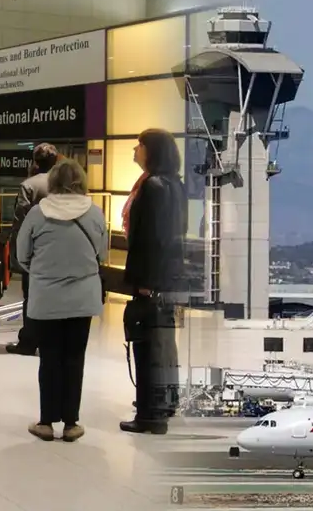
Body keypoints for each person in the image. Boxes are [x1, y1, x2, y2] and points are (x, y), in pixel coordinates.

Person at [17, 159, 106, 442]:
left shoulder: (37, 213)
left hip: (46, 299)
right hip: (83, 298)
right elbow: (102, 255)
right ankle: (71, 423)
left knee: (50, 357)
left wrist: (44, 274)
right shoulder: (95, 213)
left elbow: (22, 255)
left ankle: (45, 422)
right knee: (74, 358)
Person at [119, 129, 187, 435]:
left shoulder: (153, 187)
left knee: (147, 347)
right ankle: (164, 402)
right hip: (168, 277)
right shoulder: (176, 184)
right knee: (162, 343)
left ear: (152, 150)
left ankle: (150, 414)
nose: (135, 150)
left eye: (140, 146)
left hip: (153, 278)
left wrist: (145, 280)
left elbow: (151, 239)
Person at [5, 143, 58, 356]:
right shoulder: (63, 184)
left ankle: (29, 340)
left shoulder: (29, 185)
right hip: (59, 247)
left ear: (35, 161)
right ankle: (51, 339)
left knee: (32, 295)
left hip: (36, 249)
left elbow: (21, 218)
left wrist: (16, 248)